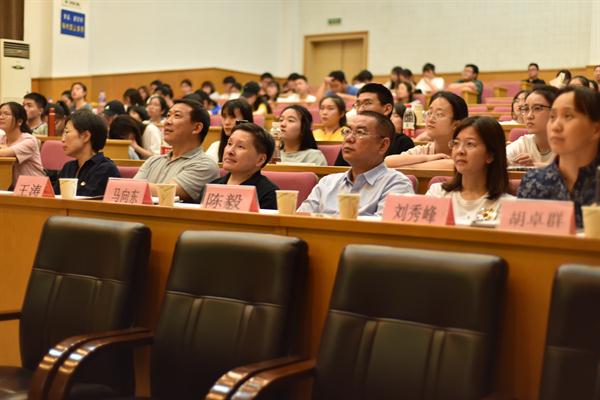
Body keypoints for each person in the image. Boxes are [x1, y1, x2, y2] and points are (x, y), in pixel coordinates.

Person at [298, 111, 414, 216]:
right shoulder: (327, 183)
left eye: (360, 132)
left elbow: (384, 229)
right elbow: (300, 220)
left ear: (383, 145)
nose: (349, 138)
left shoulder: (397, 184)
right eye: (347, 131)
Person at [517, 87, 600, 228]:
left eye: (568, 116)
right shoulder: (534, 180)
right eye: (552, 117)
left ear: (596, 129)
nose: (555, 127)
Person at [426, 116, 513, 224]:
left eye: (470, 144)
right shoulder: (437, 193)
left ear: (490, 155)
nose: (460, 151)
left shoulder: (508, 206)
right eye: (456, 143)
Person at [133, 99, 219, 202]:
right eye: (168, 115)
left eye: (177, 116)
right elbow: (131, 190)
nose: (167, 122)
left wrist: (131, 186)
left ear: (196, 128)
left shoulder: (205, 165)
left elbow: (167, 192)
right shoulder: (153, 161)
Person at [206, 122, 279, 209]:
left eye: (240, 146)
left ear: (260, 160)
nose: (230, 151)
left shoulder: (269, 194)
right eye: (229, 144)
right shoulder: (212, 187)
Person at [385, 91, 468, 167]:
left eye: (439, 114)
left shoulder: (464, 151)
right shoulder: (424, 151)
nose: (431, 119)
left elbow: (453, 165)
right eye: (430, 113)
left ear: (456, 125)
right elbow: (387, 162)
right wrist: (427, 158)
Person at [54, 110, 120, 196]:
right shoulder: (68, 167)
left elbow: (87, 201)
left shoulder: (105, 169)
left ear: (86, 136)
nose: (62, 139)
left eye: (67, 132)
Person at [335, 83, 395, 166]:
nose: (360, 109)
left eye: (367, 103)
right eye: (358, 104)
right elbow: (338, 170)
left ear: (387, 109)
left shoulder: (402, 142)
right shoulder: (350, 139)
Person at [506, 85, 558, 166]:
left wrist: (535, 165)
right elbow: (501, 159)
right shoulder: (524, 143)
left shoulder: (569, 144)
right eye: (526, 109)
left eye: (537, 108)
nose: (529, 116)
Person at [0, 102, 44, 186]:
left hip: (33, 188)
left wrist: (3, 148)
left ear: (19, 121)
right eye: (0, 114)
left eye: (6, 114)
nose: (1, 117)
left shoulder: (29, 140)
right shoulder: (2, 138)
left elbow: (3, 153)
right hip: (12, 188)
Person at [206, 99, 254, 163]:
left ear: (245, 120)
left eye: (232, 117)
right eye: (224, 117)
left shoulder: (255, 149)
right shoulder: (215, 147)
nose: (227, 122)